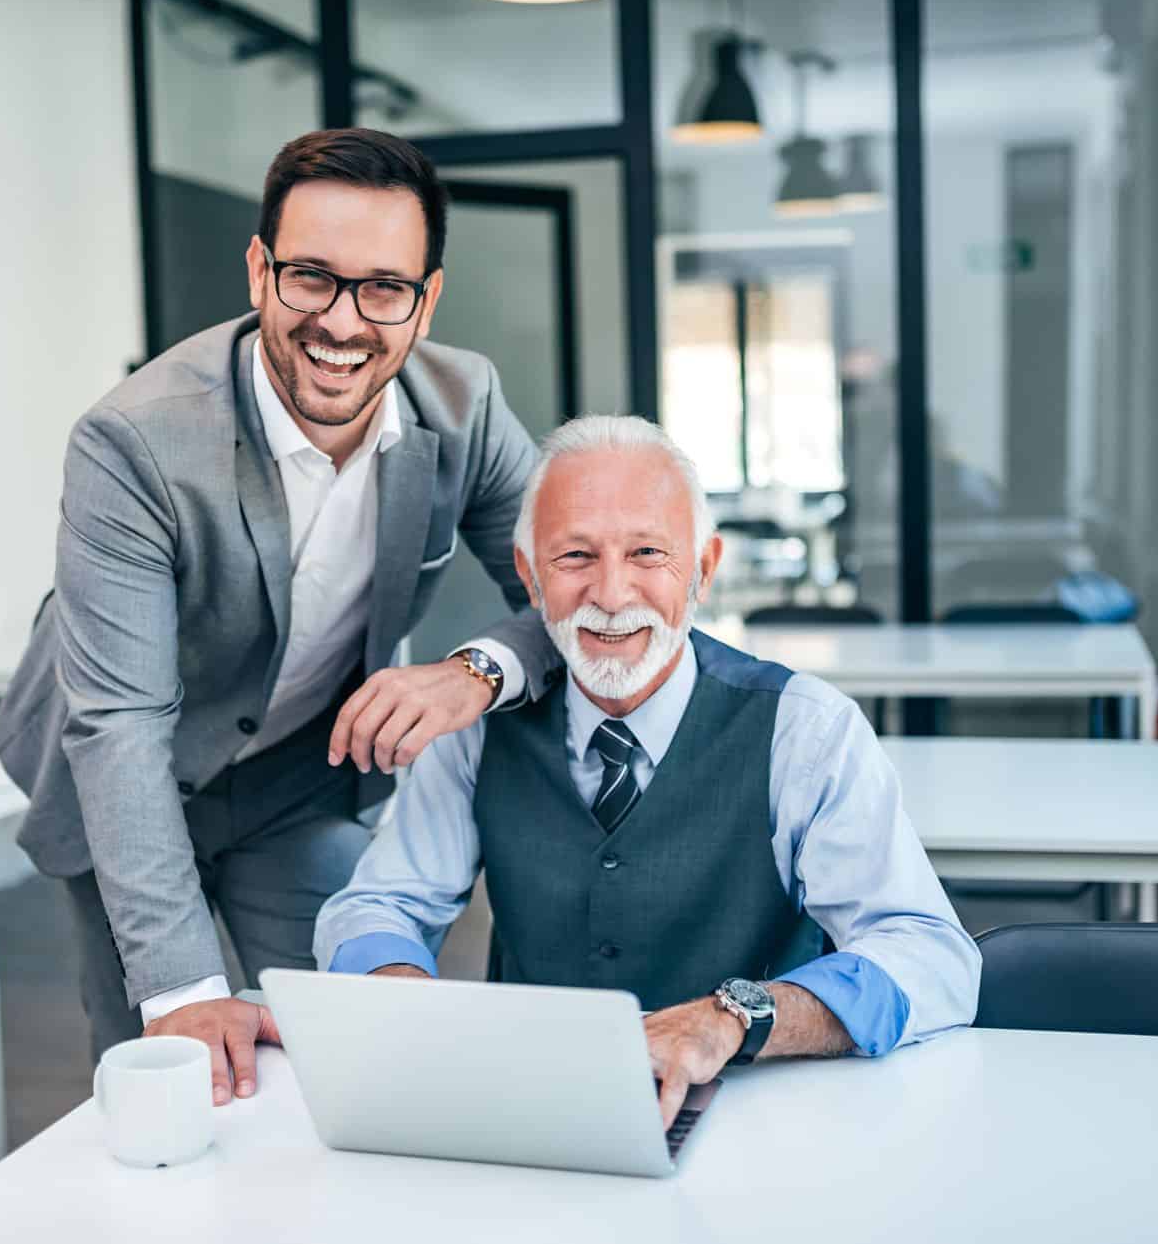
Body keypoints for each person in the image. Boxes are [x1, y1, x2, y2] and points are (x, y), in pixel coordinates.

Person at [0, 128, 558, 1105]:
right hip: (121, 775)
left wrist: (473, 671)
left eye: (384, 287)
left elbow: (575, 593)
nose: (343, 322)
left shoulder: (464, 405)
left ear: (426, 301)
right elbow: (119, 724)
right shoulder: (135, 442)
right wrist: (182, 993)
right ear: (259, 271)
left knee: (352, 1044)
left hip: (296, 779)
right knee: (164, 1076)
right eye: (311, 278)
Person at [314, 415, 981, 1128]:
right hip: (535, 1115)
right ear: (529, 575)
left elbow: (931, 955)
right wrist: (400, 987)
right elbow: (375, 905)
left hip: (764, 1121)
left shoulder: (806, 731)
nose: (610, 592)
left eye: (646, 552)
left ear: (703, 567)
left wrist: (734, 1018)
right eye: (574, 556)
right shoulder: (476, 732)